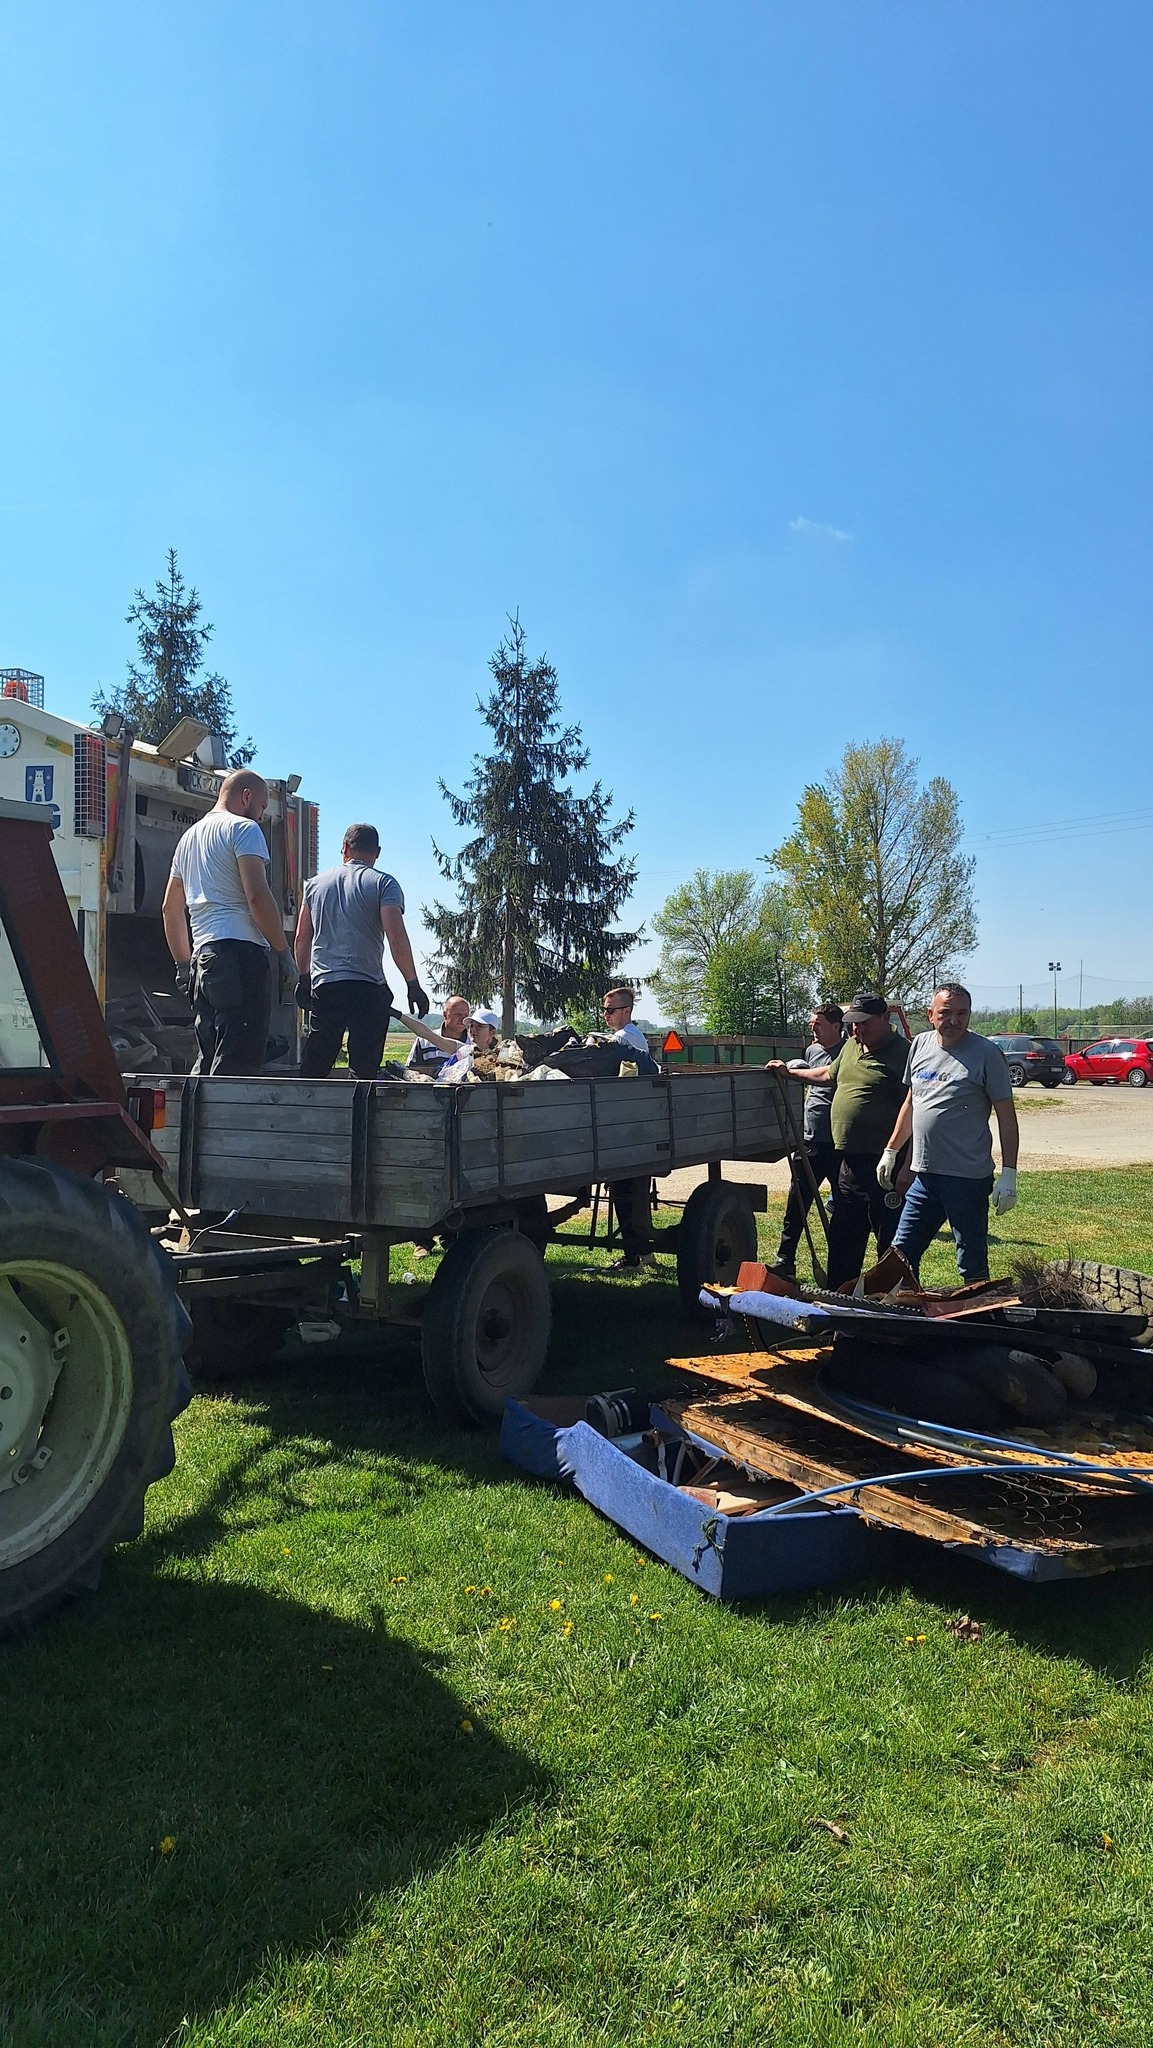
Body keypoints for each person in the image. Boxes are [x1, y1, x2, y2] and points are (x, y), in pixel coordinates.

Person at [879, 983, 1019, 1285]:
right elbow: (912, 1103)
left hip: (966, 1178)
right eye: (946, 1013)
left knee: (971, 1261)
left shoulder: (987, 1054)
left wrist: (1009, 1174)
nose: (954, 1020)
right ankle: (905, 1310)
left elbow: (1007, 1117)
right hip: (925, 1176)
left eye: (962, 1014)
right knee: (900, 1254)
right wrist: (891, 1150)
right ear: (930, 1014)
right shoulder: (920, 1045)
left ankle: (978, 1312)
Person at [768, 991, 910, 1287]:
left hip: (885, 1162)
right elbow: (827, 1075)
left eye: (865, 1022)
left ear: (885, 1018)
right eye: (854, 1023)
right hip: (849, 1160)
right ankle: (839, 1297)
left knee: (888, 1237)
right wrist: (790, 1073)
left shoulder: (904, 1053)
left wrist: (906, 1165)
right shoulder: (851, 1047)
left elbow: (917, 1109)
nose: (858, 1029)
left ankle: (892, 1299)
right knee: (844, 1234)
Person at [163, 768, 298, 1076]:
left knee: (209, 1056)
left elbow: (170, 909)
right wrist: (283, 953)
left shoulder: (188, 839)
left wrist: (183, 964)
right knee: (239, 1064)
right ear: (246, 796)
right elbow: (257, 897)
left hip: (204, 959)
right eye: (262, 806)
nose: (261, 816)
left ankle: (195, 1108)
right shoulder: (243, 829)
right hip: (241, 956)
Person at [293, 823, 428, 1079]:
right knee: (364, 1071)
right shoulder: (384, 884)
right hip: (367, 987)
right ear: (377, 852)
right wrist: (412, 984)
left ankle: (305, 1101)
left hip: (327, 986)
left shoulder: (314, 885)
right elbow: (397, 938)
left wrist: (303, 978)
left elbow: (302, 937)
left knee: (316, 1064)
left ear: (345, 847)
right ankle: (362, 1103)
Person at [770, 1003, 846, 1279]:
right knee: (797, 1202)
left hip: (838, 1143)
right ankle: (785, 1260)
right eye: (812, 1023)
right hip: (810, 1140)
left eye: (819, 1024)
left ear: (836, 1026)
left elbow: (825, 1078)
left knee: (844, 1208)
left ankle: (840, 1268)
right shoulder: (812, 1051)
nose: (813, 1028)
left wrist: (790, 1073)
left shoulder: (847, 1052)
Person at [406, 993, 470, 1077]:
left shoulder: (473, 1043)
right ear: (445, 1015)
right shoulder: (423, 1042)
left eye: (466, 1015)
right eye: (458, 1014)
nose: (463, 1019)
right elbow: (410, 1073)